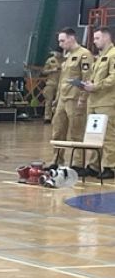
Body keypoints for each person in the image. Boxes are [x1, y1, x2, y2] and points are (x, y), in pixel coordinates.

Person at [45, 27, 95, 173]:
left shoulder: (84, 55)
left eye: (62, 40)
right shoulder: (67, 56)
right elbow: (63, 80)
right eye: (59, 41)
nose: (60, 44)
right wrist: (57, 99)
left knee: (76, 131)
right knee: (58, 130)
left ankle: (78, 163)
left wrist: (83, 98)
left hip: (75, 99)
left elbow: (87, 78)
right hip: (63, 99)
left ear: (71, 38)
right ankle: (56, 159)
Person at [81, 26, 115, 180]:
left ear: (107, 37)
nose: (94, 41)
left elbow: (113, 77)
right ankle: (94, 166)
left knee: (108, 136)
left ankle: (110, 166)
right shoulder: (100, 57)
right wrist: (87, 84)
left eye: (97, 38)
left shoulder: (113, 55)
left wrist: (96, 86)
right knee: (94, 135)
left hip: (107, 102)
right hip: (94, 101)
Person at [40, 49, 61, 121]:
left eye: (59, 53)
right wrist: (52, 70)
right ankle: (47, 117)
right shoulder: (50, 60)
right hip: (51, 83)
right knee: (49, 100)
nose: (58, 54)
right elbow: (44, 71)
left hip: (60, 84)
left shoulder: (64, 60)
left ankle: (57, 117)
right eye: (56, 52)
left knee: (59, 101)